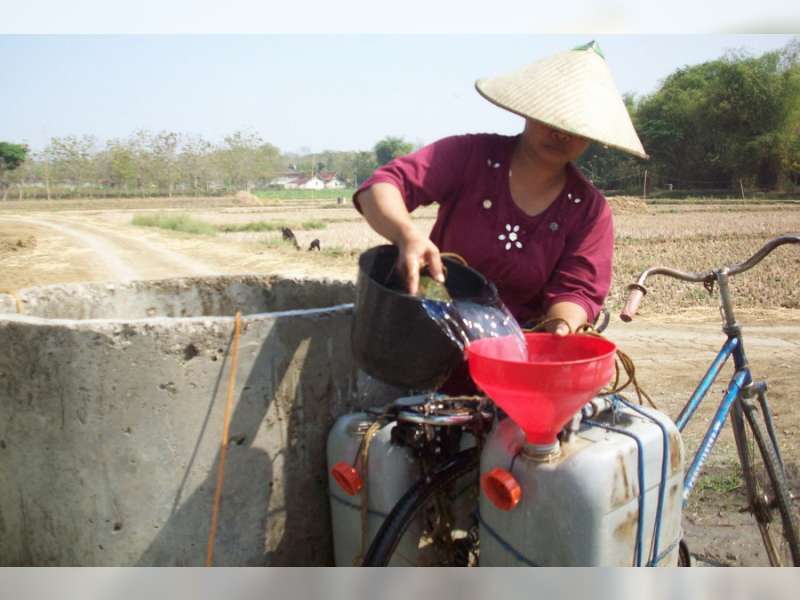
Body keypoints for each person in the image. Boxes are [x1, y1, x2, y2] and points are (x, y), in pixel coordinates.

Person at [354, 41, 648, 338]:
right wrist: (406, 236)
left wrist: (561, 327)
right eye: (553, 117)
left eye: (576, 126)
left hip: (518, 351)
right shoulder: (470, 155)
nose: (561, 133)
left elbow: (576, 290)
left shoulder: (588, 210)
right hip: (434, 332)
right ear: (530, 109)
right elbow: (383, 186)